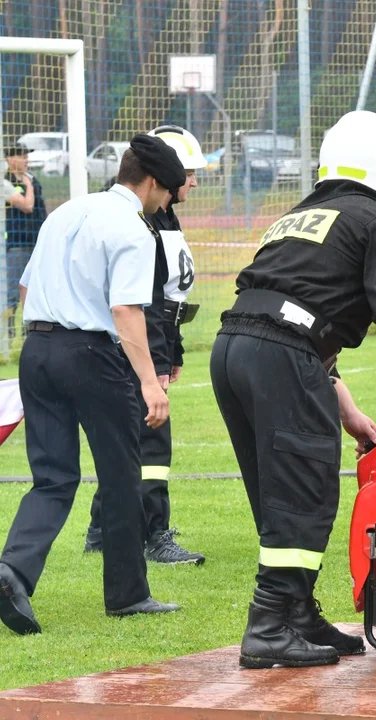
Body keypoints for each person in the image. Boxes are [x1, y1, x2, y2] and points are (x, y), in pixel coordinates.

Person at [209, 111, 376, 669]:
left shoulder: (300, 214)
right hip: (283, 351)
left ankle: (297, 613)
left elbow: (298, 314)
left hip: (235, 346)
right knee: (304, 490)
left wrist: (348, 410)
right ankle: (267, 626)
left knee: (278, 489)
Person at [0, 135, 186, 635]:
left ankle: (11, 570)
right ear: (150, 183)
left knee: (53, 477)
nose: (167, 202)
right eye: (167, 192)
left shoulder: (66, 211)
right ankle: (128, 595)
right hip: (91, 354)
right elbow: (125, 311)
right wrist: (151, 383)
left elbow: (24, 287)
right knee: (122, 472)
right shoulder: (133, 229)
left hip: (36, 349)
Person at [84, 126, 206, 565]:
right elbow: (141, 303)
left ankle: (102, 527)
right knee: (153, 445)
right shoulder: (141, 219)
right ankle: (155, 534)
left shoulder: (165, 216)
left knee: (132, 442)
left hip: (155, 341)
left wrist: (173, 353)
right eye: (188, 173)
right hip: (135, 345)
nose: (192, 182)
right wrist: (153, 365)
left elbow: (170, 295)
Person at [3, 142, 47, 340]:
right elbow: (27, 206)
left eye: (26, 155)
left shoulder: (33, 180)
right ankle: (9, 336)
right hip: (16, 244)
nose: (26, 159)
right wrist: (27, 185)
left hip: (35, 242)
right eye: (21, 156)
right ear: (10, 159)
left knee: (36, 291)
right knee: (13, 292)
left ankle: (29, 333)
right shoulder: (6, 181)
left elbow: (40, 210)